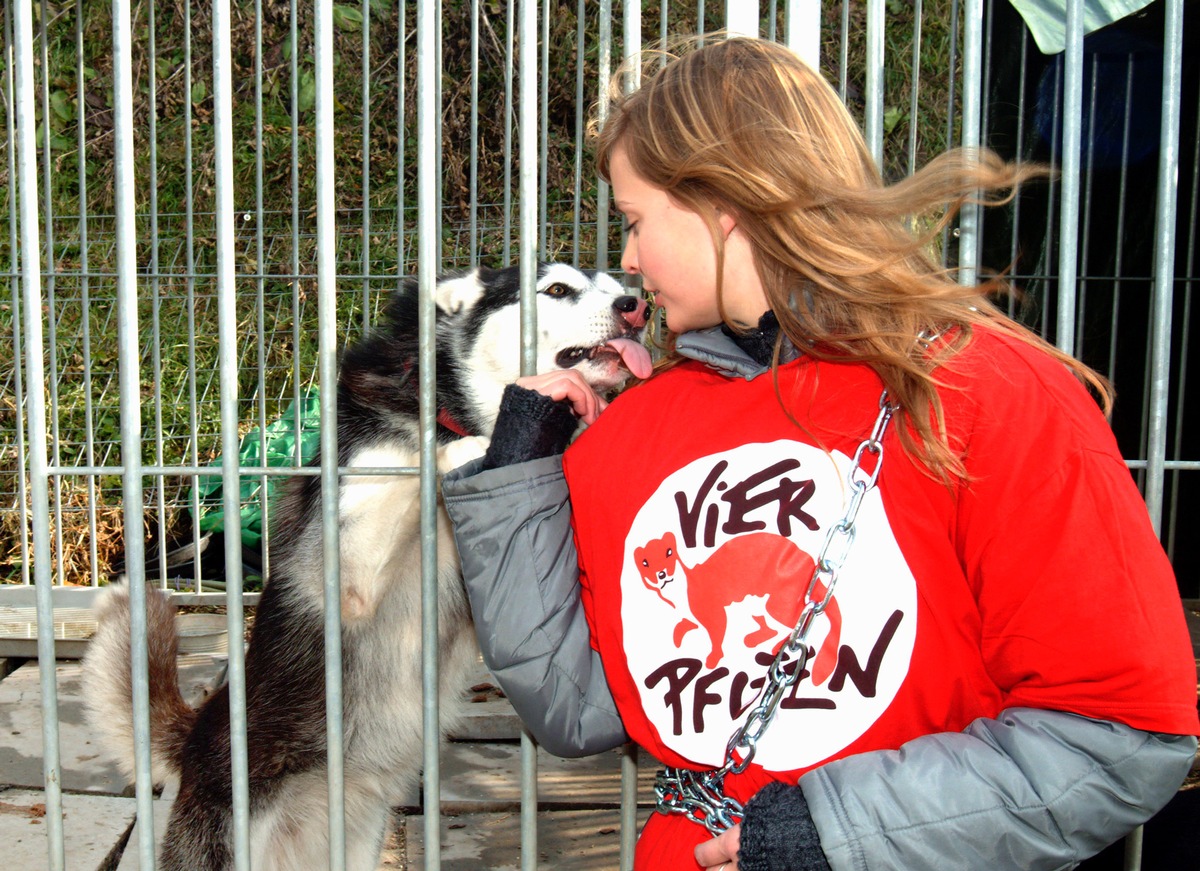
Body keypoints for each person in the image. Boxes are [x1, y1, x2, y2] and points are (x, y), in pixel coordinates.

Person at [441, 36, 1199, 871]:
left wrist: (835, 834)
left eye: (634, 220)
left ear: (723, 202)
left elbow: (1118, 730)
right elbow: (575, 709)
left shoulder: (988, 393)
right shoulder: (636, 430)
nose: (626, 260)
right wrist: (518, 483)